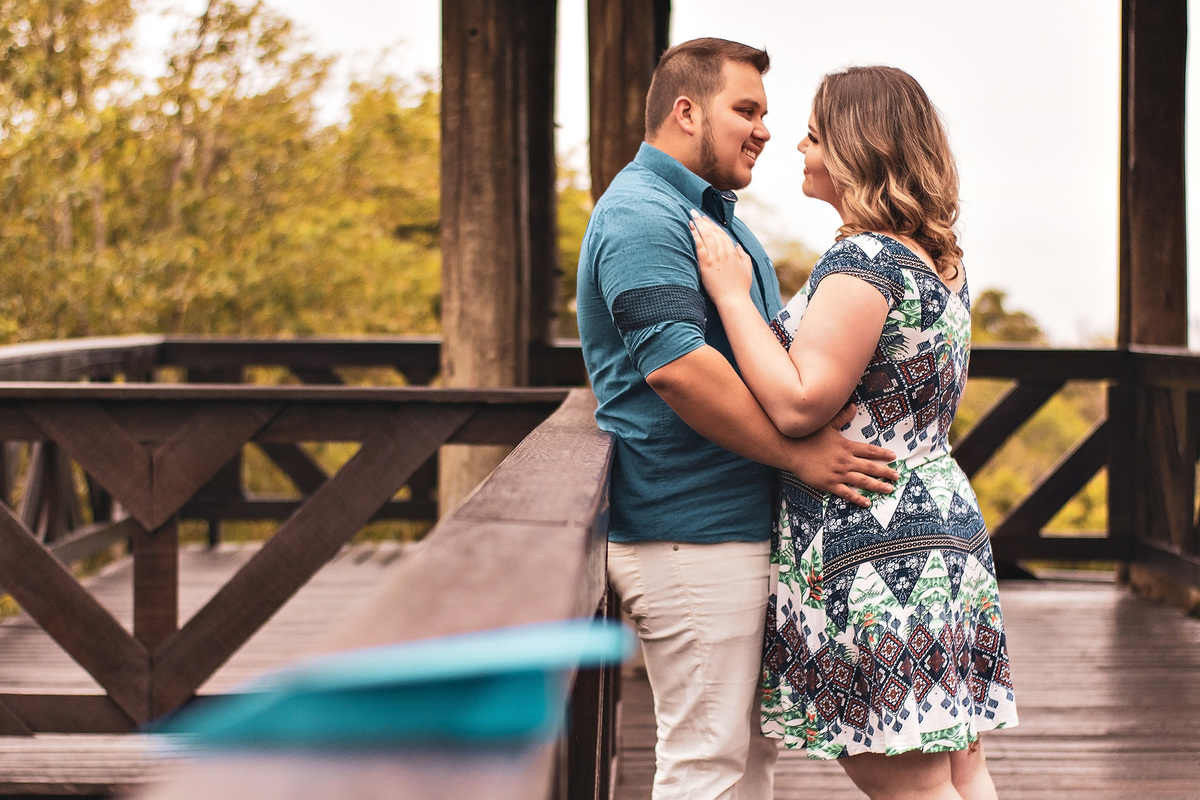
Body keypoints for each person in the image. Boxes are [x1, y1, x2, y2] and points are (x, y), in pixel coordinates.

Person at [576, 39, 900, 800]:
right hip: (690, 535)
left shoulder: (708, 215)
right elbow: (678, 368)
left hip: (730, 530)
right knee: (706, 765)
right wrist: (798, 457)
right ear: (686, 112)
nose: (763, 130)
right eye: (745, 110)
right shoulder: (641, 215)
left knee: (746, 763)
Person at [689, 65, 1019, 800]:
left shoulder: (865, 262)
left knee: (912, 785)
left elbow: (801, 405)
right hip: (941, 529)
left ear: (855, 146)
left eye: (813, 133)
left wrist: (731, 296)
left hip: (874, 547)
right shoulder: (940, 261)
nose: (797, 146)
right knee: (961, 771)